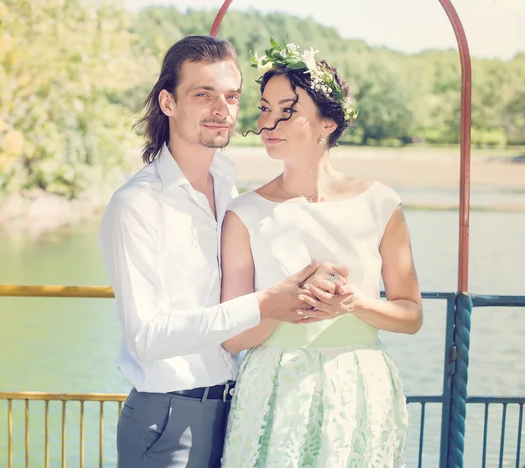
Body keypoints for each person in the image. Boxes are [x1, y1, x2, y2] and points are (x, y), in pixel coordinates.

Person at [98, 35, 348, 468]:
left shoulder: (227, 182)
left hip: (236, 411)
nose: (222, 109)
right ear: (168, 103)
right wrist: (264, 303)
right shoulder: (136, 204)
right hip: (168, 419)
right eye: (203, 94)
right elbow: (146, 339)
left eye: (231, 96)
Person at [220, 39, 423, 467]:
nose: (268, 122)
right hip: (274, 392)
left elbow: (411, 317)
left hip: (359, 388)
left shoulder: (381, 203)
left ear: (327, 123)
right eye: (264, 108)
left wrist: (354, 302)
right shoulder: (243, 213)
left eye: (287, 110)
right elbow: (233, 337)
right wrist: (281, 305)